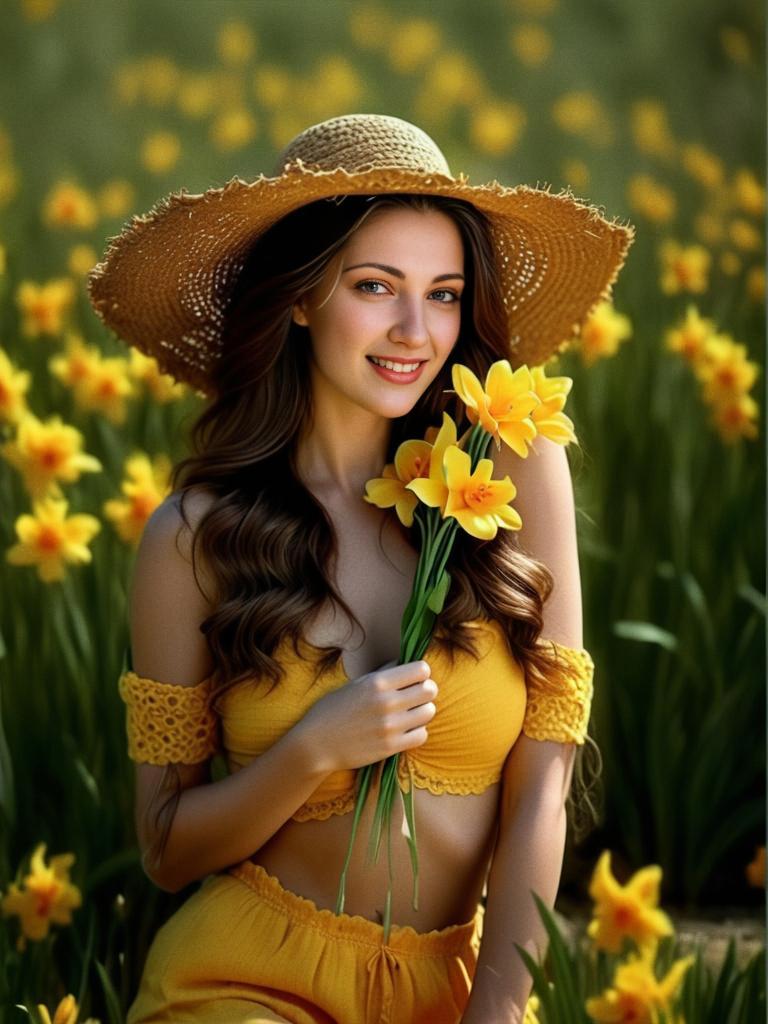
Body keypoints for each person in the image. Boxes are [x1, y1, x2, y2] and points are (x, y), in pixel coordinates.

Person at [87, 113, 634, 1024]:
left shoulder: (514, 459)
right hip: (249, 979)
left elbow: (544, 785)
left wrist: (494, 1013)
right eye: (376, 286)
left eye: (446, 293)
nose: (416, 330)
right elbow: (165, 847)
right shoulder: (193, 538)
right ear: (300, 297)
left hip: (460, 985)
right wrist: (313, 749)